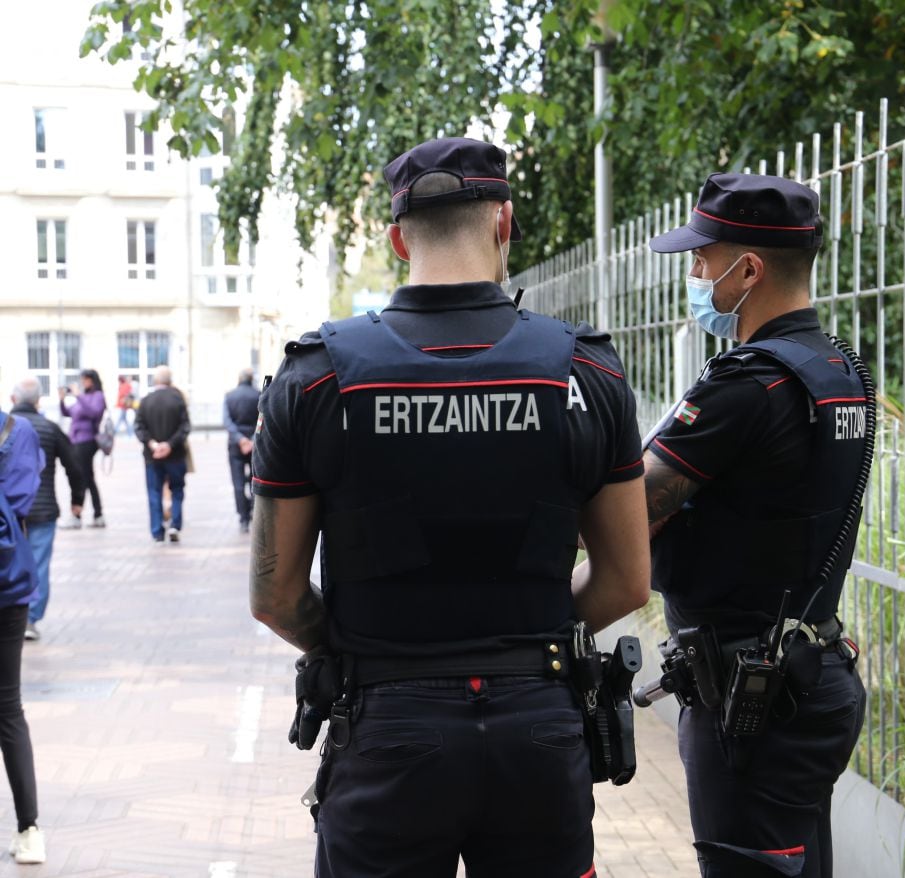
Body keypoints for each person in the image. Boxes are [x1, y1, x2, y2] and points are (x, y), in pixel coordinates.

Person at [250, 136, 651, 877]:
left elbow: (275, 597)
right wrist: (525, 639)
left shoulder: (316, 377)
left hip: (386, 729)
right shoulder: (588, 370)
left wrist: (365, 652)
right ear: (503, 221)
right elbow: (627, 580)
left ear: (398, 237)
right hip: (539, 729)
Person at [643, 173, 873, 878]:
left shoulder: (747, 386)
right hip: (812, 676)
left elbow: (624, 516)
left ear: (748, 270)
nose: (693, 273)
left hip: (751, 701)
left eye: (702, 259)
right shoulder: (840, 373)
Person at [0, 406, 46, 864]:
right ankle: (29, 828)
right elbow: (22, 501)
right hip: (7, 587)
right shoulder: (20, 430)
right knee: (8, 707)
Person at [9, 378, 84, 642]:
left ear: (12, 399)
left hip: (9, 512)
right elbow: (74, 466)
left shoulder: (5, 428)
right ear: (39, 401)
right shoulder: (50, 428)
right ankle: (30, 619)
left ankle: (11, 613)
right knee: (38, 565)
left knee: (9, 562)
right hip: (42, 509)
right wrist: (78, 500)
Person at [133, 366, 190, 544]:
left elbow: (139, 427)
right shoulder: (178, 400)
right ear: (169, 381)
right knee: (177, 490)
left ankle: (157, 531)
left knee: (154, 491)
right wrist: (169, 445)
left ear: (155, 381)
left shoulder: (146, 401)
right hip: (175, 455)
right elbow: (185, 427)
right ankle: (175, 524)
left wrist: (152, 444)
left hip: (152, 456)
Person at [58, 369, 106, 529]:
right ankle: (95, 514)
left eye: (84, 380)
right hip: (76, 441)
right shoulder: (84, 398)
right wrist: (62, 400)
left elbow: (94, 413)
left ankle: (80, 513)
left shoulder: (97, 396)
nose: (82, 383)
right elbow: (69, 412)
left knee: (82, 477)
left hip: (87, 441)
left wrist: (78, 396)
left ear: (92, 380)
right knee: (86, 478)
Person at [222, 368, 260, 534]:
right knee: (256, 480)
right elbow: (263, 418)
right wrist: (251, 439)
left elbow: (227, 421)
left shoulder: (229, 396)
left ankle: (243, 518)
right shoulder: (259, 394)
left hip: (235, 445)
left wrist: (240, 439)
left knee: (238, 483)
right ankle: (254, 511)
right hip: (255, 445)